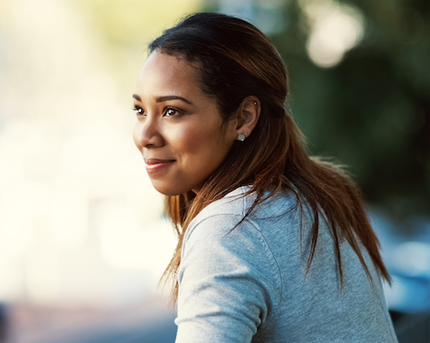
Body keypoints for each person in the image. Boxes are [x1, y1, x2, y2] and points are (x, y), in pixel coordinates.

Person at [132, 13, 398, 342]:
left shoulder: (231, 228)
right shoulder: (323, 195)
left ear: (243, 118)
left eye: (172, 111)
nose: (145, 135)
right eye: (140, 110)